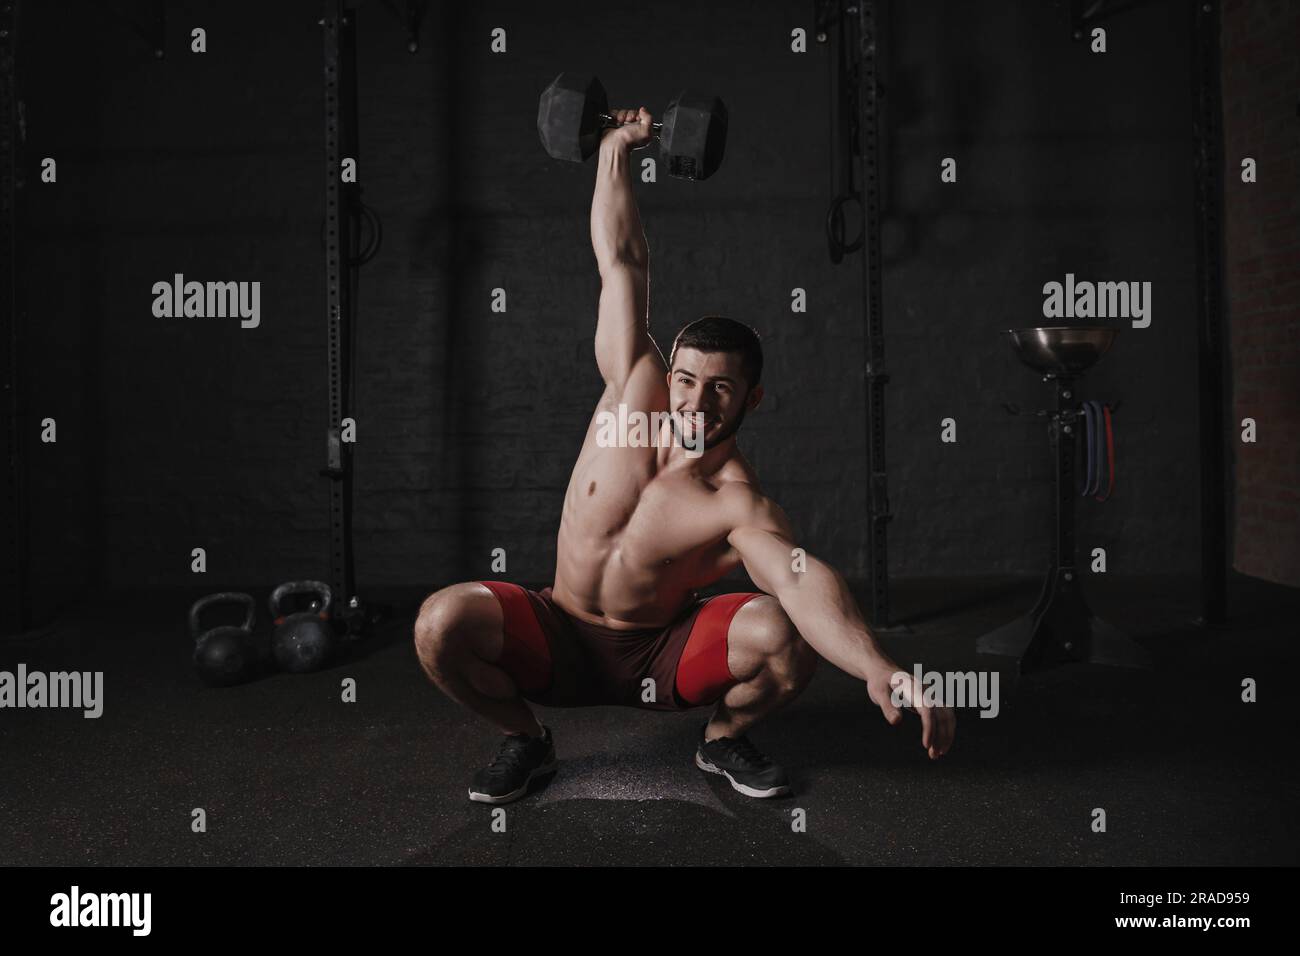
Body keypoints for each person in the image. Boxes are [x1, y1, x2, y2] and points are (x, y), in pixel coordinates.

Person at [415, 105, 955, 804]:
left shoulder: (736, 499)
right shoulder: (629, 387)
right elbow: (622, 258)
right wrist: (615, 148)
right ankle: (526, 738)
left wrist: (881, 669)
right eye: (688, 381)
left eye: (721, 389)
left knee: (781, 636)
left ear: (750, 401)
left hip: (660, 655)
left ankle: (722, 739)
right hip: (555, 635)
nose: (697, 404)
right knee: (439, 622)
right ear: (668, 375)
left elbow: (797, 578)